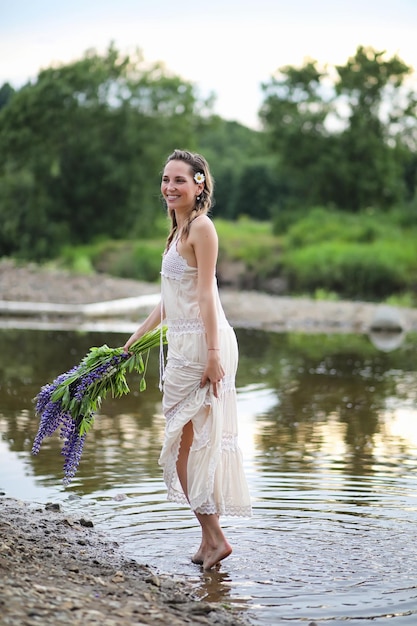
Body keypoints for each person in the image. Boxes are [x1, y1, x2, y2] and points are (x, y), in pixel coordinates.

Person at [123, 149, 252, 570]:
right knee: (186, 444)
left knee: (183, 445)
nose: (169, 187)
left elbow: (205, 298)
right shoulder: (177, 231)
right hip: (181, 344)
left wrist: (213, 356)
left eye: (179, 180)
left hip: (202, 345)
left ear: (200, 184)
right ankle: (209, 538)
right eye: (165, 179)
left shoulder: (202, 228)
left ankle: (215, 537)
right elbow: (169, 298)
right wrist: (139, 334)